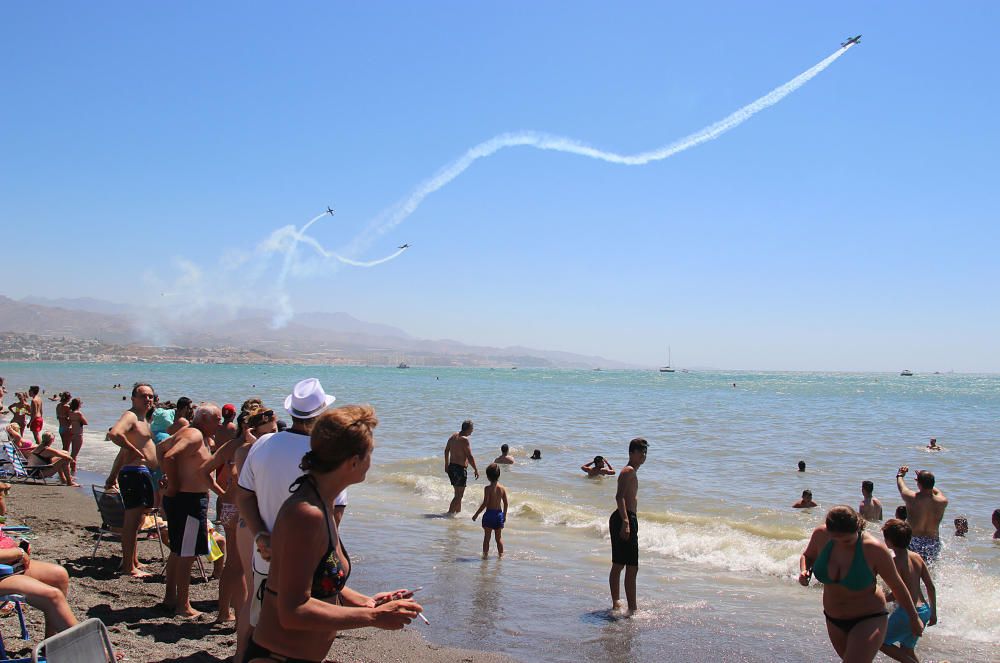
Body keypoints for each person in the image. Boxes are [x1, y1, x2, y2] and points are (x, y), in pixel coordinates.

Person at [248, 404, 422, 663]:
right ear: (353, 461)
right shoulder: (306, 515)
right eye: (370, 453)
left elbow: (317, 582)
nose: (372, 461)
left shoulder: (322, 502)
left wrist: (368, 603)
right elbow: (292, 611)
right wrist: (375, 618)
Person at [236, 378, 344, 660]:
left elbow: (243, 496)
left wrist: (260, 534)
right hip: (308, 565)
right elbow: (334, 515)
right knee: (297, 640)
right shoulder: (328, 456)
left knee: (260, 624)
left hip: (266, 555)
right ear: (323, 415)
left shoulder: (264, 444)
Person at [798, 506, 922, 663]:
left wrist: (913, 617)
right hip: (833, 619)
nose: (842, 544)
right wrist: (804, 571)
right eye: (836, 539)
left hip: (868, 617)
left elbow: (897, 585)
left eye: (847, 540)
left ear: (857, 529)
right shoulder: (821, 535)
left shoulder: (874, 549)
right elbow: (807, 555)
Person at [205, 404, 277, 624]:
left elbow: (204, 470)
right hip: (242, 512)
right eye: (271, 432)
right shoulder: (251, 450)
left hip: (228, 507)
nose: (275, 436)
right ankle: (241, 619)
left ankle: (224, 612)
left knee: (233, 564)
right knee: (243, 568)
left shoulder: (232, 446)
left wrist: (221, 493)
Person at [159, 403, 223, 617]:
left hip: (187, 500)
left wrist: (169, 478)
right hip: (188, 501)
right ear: (204, 418)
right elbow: (168, 455)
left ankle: (170, 597)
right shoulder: (194, 434)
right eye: (217, 419)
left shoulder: (194, 434)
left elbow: (161, 448)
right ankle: (183, 605)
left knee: (178, 551)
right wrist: (174, 484)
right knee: (187, 553)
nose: (220, 423)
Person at [105, 382, 159, 578]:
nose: (148, 399)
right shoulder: (131, 416)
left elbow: (121, 451)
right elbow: (114, 434)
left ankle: (133, 560)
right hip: (134, 473)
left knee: (137, 522)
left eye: (150, 396)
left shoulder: (143, 419)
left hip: (141, 472)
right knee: (131, 521)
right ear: (133, 398)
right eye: (143, 396)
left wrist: (112, 476)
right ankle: (128, 566)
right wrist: (134, 450)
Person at [0, 528, 77, 636]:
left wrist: (14, 545)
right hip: (3, 574)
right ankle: (87, 646)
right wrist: (18, 552)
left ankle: (51, 645)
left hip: (8, 565)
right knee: (52, 596)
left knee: (58, 575)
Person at [880, 518, 936, 663]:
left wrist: (879, 598)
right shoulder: (917, 557)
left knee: (880, 642)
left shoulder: (894, 561)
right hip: (924, 610)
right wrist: (933, 613)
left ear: (889, 541)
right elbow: (930, 586)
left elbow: (898, 592)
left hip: (908, 613)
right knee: (907, 649)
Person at [609, 438, 647, 615]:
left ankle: (622, 605)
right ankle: (629, 608)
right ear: (631, 453)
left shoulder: (632, 472)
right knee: (627, 566)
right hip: (623, 518)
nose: (643, 455)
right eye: (640, 452)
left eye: (645, 452)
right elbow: (619, 497)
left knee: (625, 565)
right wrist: (625, 522)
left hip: (628, 518)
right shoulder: (628, 471)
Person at [896, 467, 947, 563]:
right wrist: (924, 480)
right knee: (929, 571)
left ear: (919, 484)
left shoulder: (911, 498)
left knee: (912, 569)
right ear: (932, 484)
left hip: (914, 541)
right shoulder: (943, 501)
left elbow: (902, 487)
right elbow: (937, 491)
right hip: (933, 543)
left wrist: (900, 475)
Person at [472, 463, 509, 558]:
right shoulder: (502, 489)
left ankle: (485, 556)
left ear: (488, 477)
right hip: (498, 515)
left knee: (486, 539)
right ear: (499, 475)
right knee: (499, 538)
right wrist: (504, 515)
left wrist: (476, 514)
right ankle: (501, 556)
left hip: (489, 515)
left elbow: (485, 503)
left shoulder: (487, 489)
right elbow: (505, 503)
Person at [444, 420, 479, 514]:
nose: (472, 431)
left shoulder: (453, 436)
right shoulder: (465, 439)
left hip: (452, 467)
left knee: (457, 494)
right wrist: (475, 469)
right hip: (459, 469)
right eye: (472, 429)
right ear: (468, 429)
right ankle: (449, 514)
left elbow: (446, 450)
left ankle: (457, 513)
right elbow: (470, 456)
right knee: (459, 496)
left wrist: (446, 465)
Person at [66, 397, 88, 476]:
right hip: (78, 434)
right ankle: (72, 471)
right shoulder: (78, 413)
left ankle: (72, 470)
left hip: (72, 433)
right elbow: (85, 422)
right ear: (78, 405)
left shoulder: (70, 412)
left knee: (73, 454)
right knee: (74, 454)